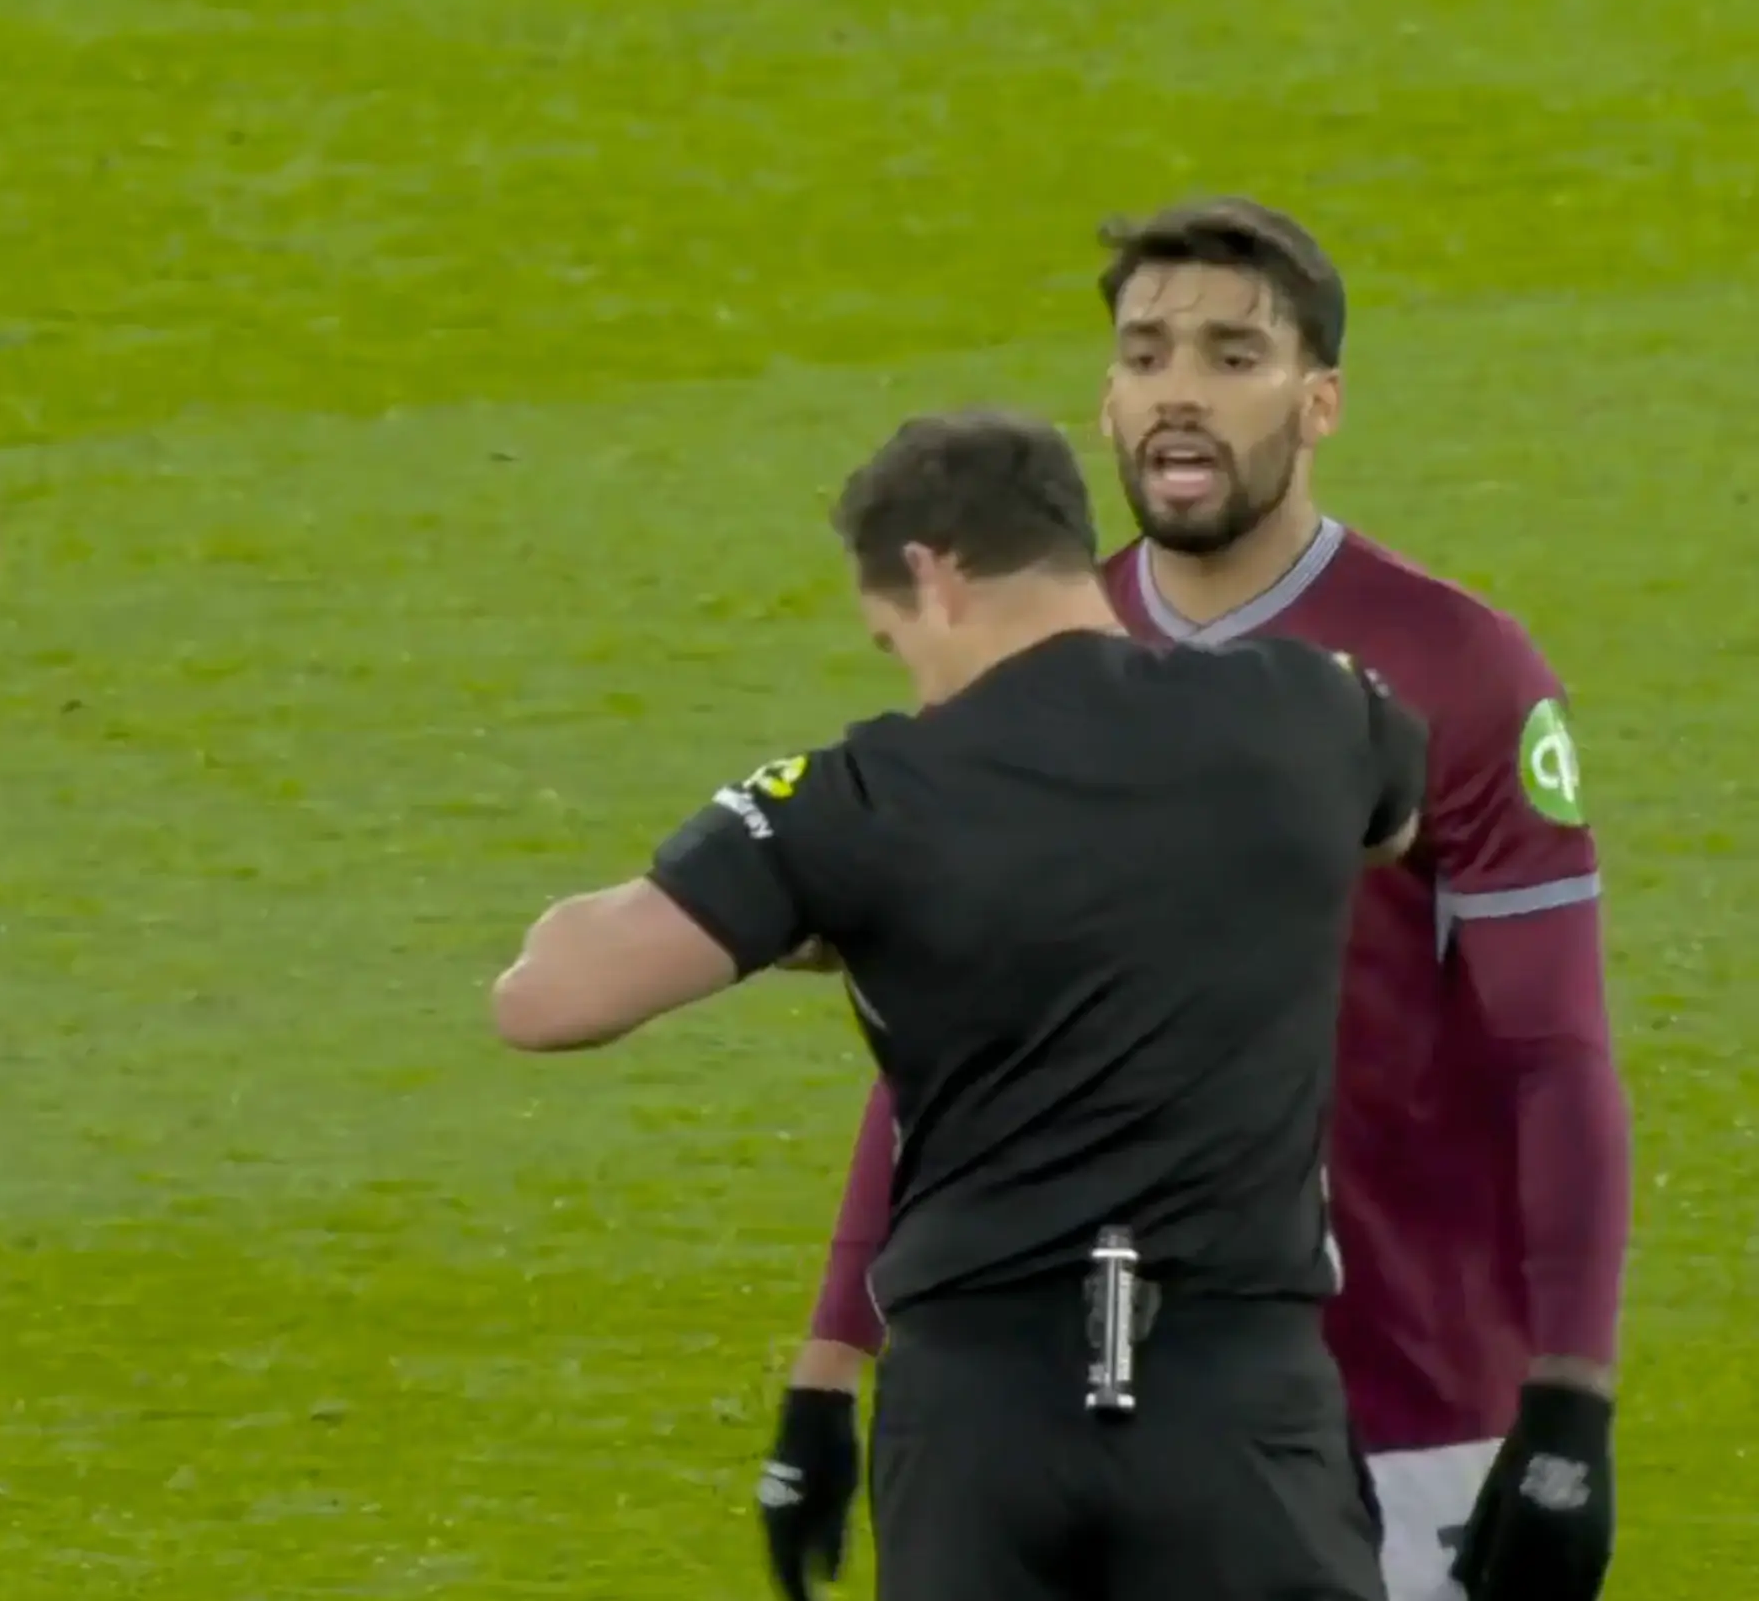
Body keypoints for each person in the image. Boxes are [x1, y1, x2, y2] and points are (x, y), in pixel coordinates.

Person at [768, 200, 1628, 1601]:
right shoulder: (1029, 656)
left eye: (1235, 356)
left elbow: (1556, 1054)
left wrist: (1572, 1396)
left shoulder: (1461, 667)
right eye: (1148, 351)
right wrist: (829, 1363)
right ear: (1105, 395)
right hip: (1083, 1425)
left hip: (1410, 1406)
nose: (1180, 390)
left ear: (1320, 400)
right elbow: (955, 1044)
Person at [494, 407, 1424, 1601]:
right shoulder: (1306, 711)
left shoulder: (865, 804)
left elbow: (548, 999)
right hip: (1238, 1400)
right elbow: (1396, 820)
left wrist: (812, 910)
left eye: (893, 642)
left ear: (930, 575)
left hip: (984, 1418)